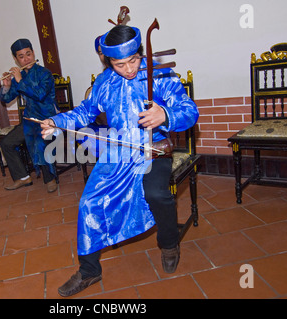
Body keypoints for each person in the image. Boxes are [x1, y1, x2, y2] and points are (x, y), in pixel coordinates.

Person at [41, 25, 199, 297]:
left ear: (140, 53)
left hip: (153, 150)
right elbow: (83, 114)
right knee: (88, 202)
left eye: (134, 60)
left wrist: (165, 116)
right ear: (108, 61)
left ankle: (169, 243)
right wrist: (56, 122)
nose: (129, 69)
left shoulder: (159, 76)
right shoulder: (104, 82)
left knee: (157, 194)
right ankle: (89, 271)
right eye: (119, 64)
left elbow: (190, 111)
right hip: (118, 153)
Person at [0, 39, 59, 193]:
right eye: (21, 56)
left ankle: (50, 179)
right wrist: (6, 86)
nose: (26, 59)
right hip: (29, 121)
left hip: (48, 119)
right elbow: (6, 99)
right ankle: (23, 177)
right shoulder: (19, 77)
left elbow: (39, 95)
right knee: (6, 143)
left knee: (39, 142)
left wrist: (19, 80)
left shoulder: (45, 73)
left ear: (33, 53)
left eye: (28, 54)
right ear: (16, 59)